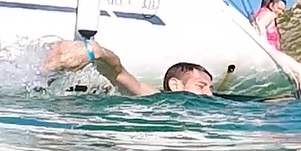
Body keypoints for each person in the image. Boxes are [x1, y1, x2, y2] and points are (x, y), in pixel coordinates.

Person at [45, 39, 214, 96]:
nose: (209, 93)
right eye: (201, 86)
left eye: (209, 88)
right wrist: (97, 52)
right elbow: (119, 73)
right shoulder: (155, 96)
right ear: (175, 85)